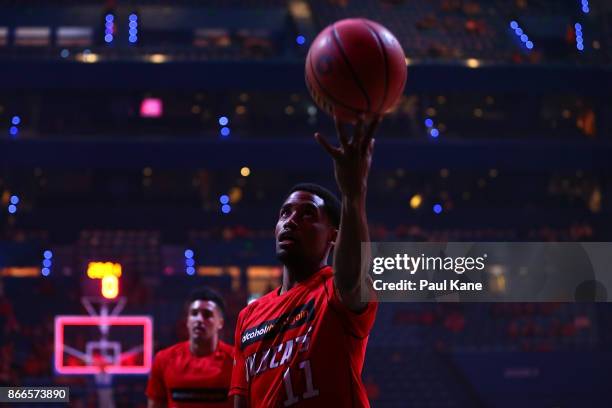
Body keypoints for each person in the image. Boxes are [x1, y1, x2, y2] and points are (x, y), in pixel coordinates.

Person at [230, 115, 380, 407]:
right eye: (285, 213)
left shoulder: (336, 293)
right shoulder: (248, 317)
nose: (290, 221)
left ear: (333, 236)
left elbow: (352, 274)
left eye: (307, 214)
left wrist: (353, 193)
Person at [147, 287, 233, 408]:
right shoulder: (164, 359)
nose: (199, 319)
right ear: (187, 320)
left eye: (207, 315)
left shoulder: (236, 361)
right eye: (194, 313)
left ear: (220, 323)